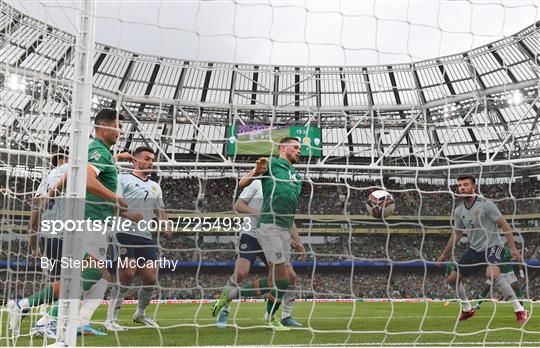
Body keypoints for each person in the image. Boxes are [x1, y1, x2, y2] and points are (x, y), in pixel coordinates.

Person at [212, 137, 306, 331]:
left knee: (284, 279)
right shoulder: (265, 172)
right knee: (242, 272)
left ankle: (282, 315)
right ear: (282, 148)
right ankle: (229, 309)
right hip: (254, 232)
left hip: (280, 231)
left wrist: (296, 239)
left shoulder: (295, 178)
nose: (299, 151)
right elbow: (239, 200)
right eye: (295, 147)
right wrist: (256, 172)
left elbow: (290, 213)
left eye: (300, 148)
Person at [437, 175, 528, 324]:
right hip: (475, 250)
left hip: (494, 246)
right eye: (459, 186)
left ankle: (519, 309)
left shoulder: (486, 204)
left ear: (474, 187)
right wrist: (444, 254)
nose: (462, 188)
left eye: (465, 185)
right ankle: (467, 309)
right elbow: (457, 234)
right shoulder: (459, 210)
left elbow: (505, 225)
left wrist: (512, 248)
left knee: (492, 274)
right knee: (452, 280)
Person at [105, 146, 171, 331]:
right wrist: (128, 215)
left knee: (150, 276)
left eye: (152, 159)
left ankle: (140, 314)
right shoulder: (123, 178)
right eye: (146, 158)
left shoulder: (155, 186)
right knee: (127, 273)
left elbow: (160, 211)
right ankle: (111, 318)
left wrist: (166, 222)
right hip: (122, 232)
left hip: (144, 236)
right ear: (134, 160)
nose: (150, 162)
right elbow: (112, 203)